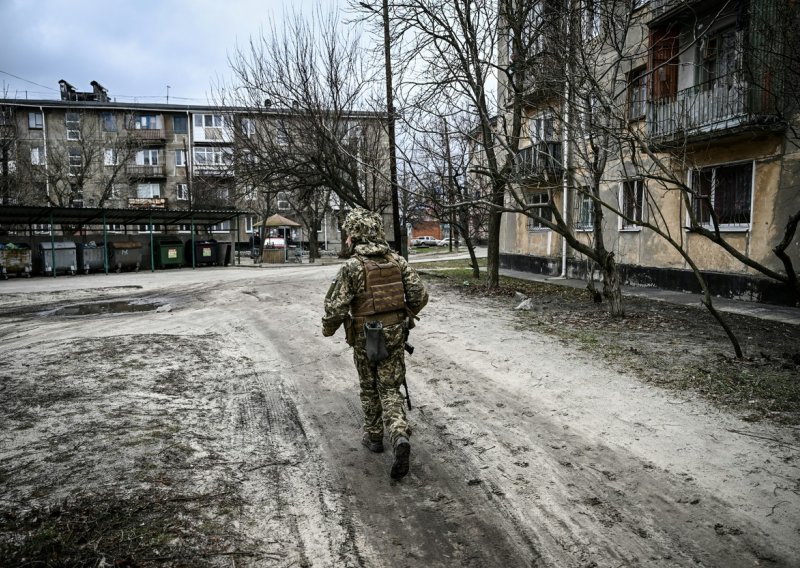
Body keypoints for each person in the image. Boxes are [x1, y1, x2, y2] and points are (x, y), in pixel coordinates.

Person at [322, 208, 428, 480]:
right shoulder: (397, 261)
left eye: (348, 233)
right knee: (390, 387)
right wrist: (402, 315)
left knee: (369, 387)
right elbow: (419, 295)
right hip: (394, 333)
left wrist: (328, 329)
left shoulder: (352, 267)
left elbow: (335, 307)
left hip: (364, 335)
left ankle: (374, 437)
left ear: (355, 235)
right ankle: (399, 434)